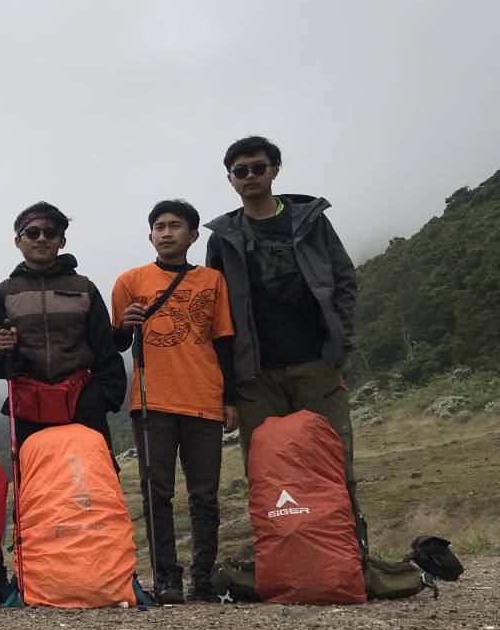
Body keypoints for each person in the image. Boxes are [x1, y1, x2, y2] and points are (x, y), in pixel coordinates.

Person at [205, 135, 365, 538]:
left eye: (259, 168)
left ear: (274, 170)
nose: (250, 176)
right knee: (265, 468)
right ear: (230, 179)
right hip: (256, 375)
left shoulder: (309, 220)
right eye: (241, 171)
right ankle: (282, 557)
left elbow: (344, 278)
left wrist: (339, 340)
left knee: (332, 459)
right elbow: (216, 309)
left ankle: (349, 554)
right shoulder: (222, 238)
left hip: (316, 362)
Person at [111, 199, 238, 603]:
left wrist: (230, 399)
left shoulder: (212, 280)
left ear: (193, 235)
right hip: (152, 401)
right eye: (159, 226)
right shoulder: (130, 280)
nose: (167, 233)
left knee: (205, 494)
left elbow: (224, 342)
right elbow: (113, 342)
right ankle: (167, 576)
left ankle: (202, 579)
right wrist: (126, 325)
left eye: (175, 226)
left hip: (203, 398)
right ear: (150, 234)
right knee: (156, 492)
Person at [0, 201, 127, 453]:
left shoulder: (84, 288)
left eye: (51, 233)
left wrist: (105, 398)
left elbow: (104, 347)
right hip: (27, 406)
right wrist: (1, 348)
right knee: (37, 484)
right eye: (33, 233)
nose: (42, 239)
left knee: (91, 481)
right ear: (18, 241)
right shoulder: (2, 294)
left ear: (62, 241)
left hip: (84, 402)